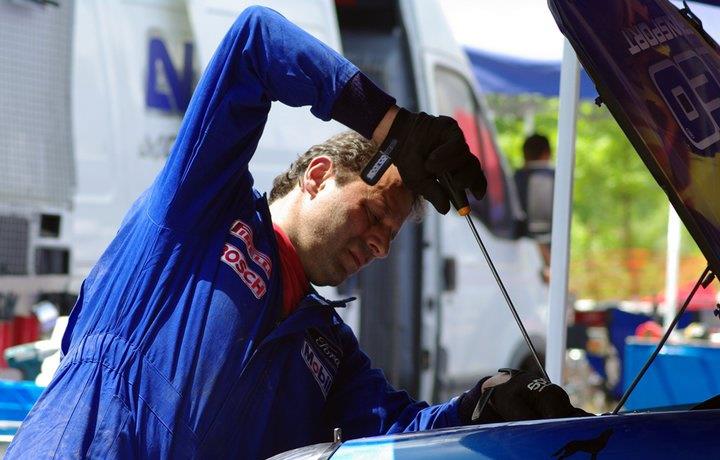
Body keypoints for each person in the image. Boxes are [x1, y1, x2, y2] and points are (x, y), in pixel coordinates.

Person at [7, 7, 585, 459]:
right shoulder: (202, 209)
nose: (380, 245)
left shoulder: (328, 349)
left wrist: (480, 408)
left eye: (391, 236)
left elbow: (397, 433)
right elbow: (255, 42)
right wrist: (392, 126)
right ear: (317, 175)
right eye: (374, 214)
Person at [514, 133, 555, 282]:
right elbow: (539, 226)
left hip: (515, 252)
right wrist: (549, 263)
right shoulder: (545, 178)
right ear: (546, 153)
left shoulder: (514, 177)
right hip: (539, 258)